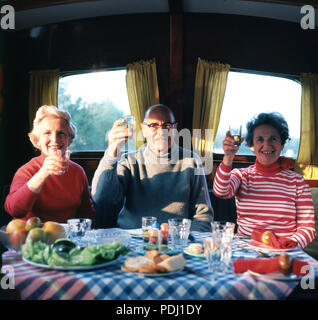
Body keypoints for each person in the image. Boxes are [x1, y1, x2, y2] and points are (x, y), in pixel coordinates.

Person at [91, 104, 213, 231]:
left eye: (167, 126)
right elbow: (101, 198)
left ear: (175, 129)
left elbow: (203, 217)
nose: (161, 132)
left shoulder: (192, 160)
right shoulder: (129, 161)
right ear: (143, 129)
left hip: (175, 242)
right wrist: (112, 152)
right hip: (131, 239)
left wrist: (183, 240)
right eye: (153, 126)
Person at [213, 112, 315, 248]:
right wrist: (228, 156)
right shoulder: (242, 175)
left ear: (282, 144)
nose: (266, 145)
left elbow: (307, 228)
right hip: (245, 249)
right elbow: (220, 191)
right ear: (252, 146)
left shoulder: (298, 181)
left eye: (273, 139)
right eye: (260, 139)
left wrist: (288, 245)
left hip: (282, 251)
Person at [5, 105, 94, 224]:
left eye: (61, 133)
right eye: (47, 133)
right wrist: (43, 173)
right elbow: (14, 210)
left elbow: (87, 214)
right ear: (37, 140)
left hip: (65, 239)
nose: (55, 139)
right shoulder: (27, 170)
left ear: (69, 139)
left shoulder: (78, 171)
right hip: (31, 239)